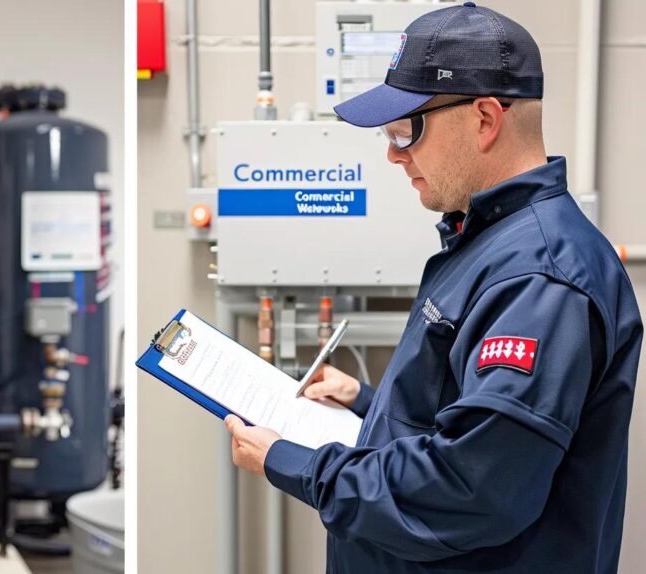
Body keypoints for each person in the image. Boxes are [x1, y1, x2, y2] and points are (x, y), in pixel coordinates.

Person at [225, 3, 643, 572]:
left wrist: (296, 463)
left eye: (407, 130)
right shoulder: (489, 241)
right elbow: (472, 421)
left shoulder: (539, 279)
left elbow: (470, 489)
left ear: (485, 119)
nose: (395, 154)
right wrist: (366, 405)